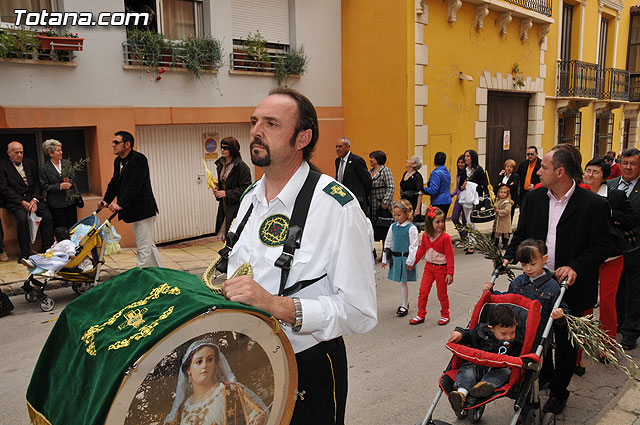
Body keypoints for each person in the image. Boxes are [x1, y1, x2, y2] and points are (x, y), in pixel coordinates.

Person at [222, 88, 377, 425]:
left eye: (272, 124)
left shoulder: (337, 206)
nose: (256, 131)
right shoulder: (249, 199)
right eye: (254, 121)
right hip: (246, 364)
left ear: (302, 138)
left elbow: (359, 312)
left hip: (309, 365)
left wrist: (278, 306)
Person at [502, 143, 610, 414]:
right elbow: (522, 233)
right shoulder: (535, 198)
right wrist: (507, 256)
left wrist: (575, 266)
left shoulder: (594, 205)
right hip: (536, 282)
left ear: (560, 172)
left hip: (571, 286)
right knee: (536, 332)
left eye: (544, 167)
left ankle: (559, 392)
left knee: (564, 342)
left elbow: (600, 248)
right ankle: (546, 374)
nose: (538, 172)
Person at [585, 158, 637, 345]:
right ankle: (584, 343)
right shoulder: (577, 193)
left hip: (611, 257)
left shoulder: (615, 196)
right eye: (588, 170)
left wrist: (610, 213)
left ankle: (608, 345)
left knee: (607, 303)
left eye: (595, 172)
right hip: (586, 257)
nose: (590, 175)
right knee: (585, 304)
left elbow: (632, 220)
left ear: (605, 177)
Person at [164, 336, 268, 425]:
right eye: (199, 362)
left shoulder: (229, 391)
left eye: (210, 360)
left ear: (215, 364)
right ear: (188, 370)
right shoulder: (182, 411)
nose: (205, 365)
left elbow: (259, 416)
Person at [484, 239, 566, 345]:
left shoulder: (552, 287)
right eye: (523, 264)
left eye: (533, 264)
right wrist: (490, 292)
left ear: (544, 259)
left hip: (539, 337)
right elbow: (506, 301)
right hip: (516, 335)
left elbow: (564, 311)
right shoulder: (517, 282)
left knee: (544, 360)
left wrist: (560, 315)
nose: (528, 269)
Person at [99, 131, 162, 268]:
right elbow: (114, 183)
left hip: (143, 210)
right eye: (113, 142)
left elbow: (135, 185)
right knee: (148, 245)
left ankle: (141, 275)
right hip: (133, 211)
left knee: (143, 247)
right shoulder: (118, 161)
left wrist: (120, 204)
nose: (113, 145)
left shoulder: (139, 160)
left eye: (116, 142)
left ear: (127, 144)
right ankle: (159, 272)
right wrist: (106, 200)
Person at [446, 305, 522, 412]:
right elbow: (469, 334)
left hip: (498, 369)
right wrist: (460, 333)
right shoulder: (482, 331)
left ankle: (485, 386)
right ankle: (461, 394)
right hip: (477, 365)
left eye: (512, 332)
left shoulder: (517, 341)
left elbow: (521, 353)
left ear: (516, 325)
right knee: (467, 370)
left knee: (506, 373)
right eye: (503, 334)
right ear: (491, 328)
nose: (509, 337)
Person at [607, 148, 640, 350]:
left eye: (633, 164)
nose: (628, 167)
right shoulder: (609, 185)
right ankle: (618, 323)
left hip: (637, 248)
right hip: (613, 249)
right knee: (616, 289)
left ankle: (631, 332)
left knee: (634, 291)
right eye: (625, 163)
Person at [0, 141, 53, 261]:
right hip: (15, 201)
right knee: (22, 219)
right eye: (16, 152)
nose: (19, 155)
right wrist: (22, 202)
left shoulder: (30, 163)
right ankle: (24, 253)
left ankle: (47, 249)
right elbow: (4, 188)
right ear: (9, 153)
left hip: (33, 198)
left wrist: (34, 200)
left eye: (21, 152)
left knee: (47, 217)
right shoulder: (2, 166)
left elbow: (37, 184)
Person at [408, 205, 454, 326]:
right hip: (429, 268)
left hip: (441, 269)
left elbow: (450, 256)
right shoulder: (426, 236)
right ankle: (421, 314)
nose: (441, 224)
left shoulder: (446, 238)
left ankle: (445, 314)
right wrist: (413, 262)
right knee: (423, 291)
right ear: (429, 223)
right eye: (437, 222)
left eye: (442, 221)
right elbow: (421, 251)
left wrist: (450, 273)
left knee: (441, 293)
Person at [382, 199, 418, 318]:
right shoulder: (393, 227)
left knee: (403, 283)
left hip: (405, 259)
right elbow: (388, 242)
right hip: (396, 259)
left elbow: (413, 246)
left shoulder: (411, 228)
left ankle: (404, 305)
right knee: (401, 283)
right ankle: (404, 303)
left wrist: (410, 260)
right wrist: (384, 258)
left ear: (406, 214)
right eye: (395, 215)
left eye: (399, 215)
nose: (396, 217)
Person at [213, 137, 252, 241]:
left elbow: (246, 190)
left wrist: (226, 193)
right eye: (221, 147)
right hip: (224, 206)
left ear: (233, 149)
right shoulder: (220, 165)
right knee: (224, 237)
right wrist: (217, 190)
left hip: (237, 208)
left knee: (234, 236)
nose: (222, 150)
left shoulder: (242, 167)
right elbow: (224, 185)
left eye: (225, 148)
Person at [39, 139, 81, 230]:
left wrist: (70, 182)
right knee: (61, 228)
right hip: (56, 204)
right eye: (58, 151)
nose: (61, 152)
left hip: (70, 201)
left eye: (61, 150)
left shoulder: (66, 163)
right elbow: (44, 186)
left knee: (73, 227)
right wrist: (59, 186)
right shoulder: (44, 168)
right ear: (51, 153)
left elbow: (73, 178)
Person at [458, 149, 487, 255]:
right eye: (465, 156)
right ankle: (472, 242)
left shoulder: (478, 170)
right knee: (468, 220)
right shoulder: (464, 171)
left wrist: (474, 187)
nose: (465, 158)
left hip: (474, 198)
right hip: (466, 198)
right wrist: (463, 186)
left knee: (471, 221)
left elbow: (484, 184)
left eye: (467, 156)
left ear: (472, 158)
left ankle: (472, 244)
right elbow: (460, 186)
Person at [335, 137, 372, 215]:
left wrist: (362, 195)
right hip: (343, 199)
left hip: (356, 199)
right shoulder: (337, 161)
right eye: (336, 146)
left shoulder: (357, 160)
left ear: (348, 147)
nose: (338, 149)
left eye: (340, 146)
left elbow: (367, 180)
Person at [369, 150, 395, 240]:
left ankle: (386, 251)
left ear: (378, 159)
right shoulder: (369, 172)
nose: (370, 160)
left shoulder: (385, 170)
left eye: (372, 158)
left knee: (385, 229)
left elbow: (391, 187)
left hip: (383, 205)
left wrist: (385, 202)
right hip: (372, 205)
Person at [451, 154, 468, 245]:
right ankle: (463, 235)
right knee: (454, 217)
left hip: (465, 199)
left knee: (465, 221)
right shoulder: (458, 174)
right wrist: (452, 194)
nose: (460, 164)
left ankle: (465, 240)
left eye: (462, 162)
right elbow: (457, 187)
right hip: (458, 198)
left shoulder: (467, 174)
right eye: (459, 162)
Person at [493, 185, 514, 249]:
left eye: (504, 193)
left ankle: (505, 244)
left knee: (505, 232)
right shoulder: (497, 200)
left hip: (505, 220)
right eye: (501, 192)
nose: (502, 194)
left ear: (507, 194)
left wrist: (499, 211)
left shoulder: (507, 202)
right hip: (499, 219)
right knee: (497, 231)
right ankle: (495, 243)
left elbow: (507, 210)